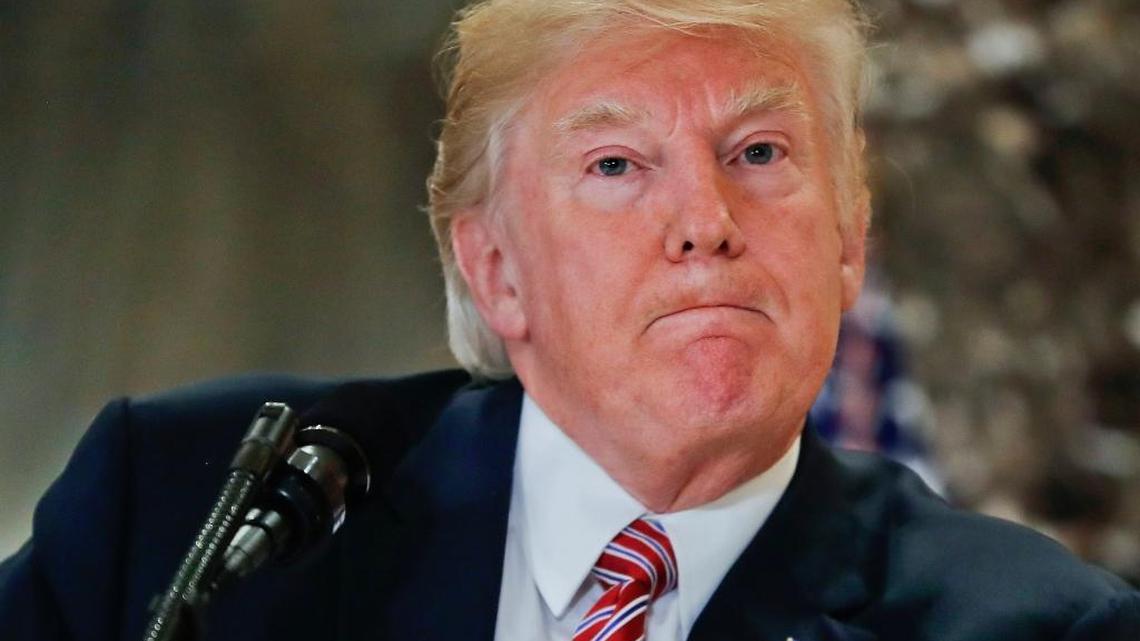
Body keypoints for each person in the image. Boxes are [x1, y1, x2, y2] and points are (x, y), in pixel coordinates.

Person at [1, 1, 1137, 640]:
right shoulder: (179, 514)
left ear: (848, 236)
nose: (706, 221)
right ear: (495, 268)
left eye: (759, 153)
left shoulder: (1042, 631)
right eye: (615, 163)